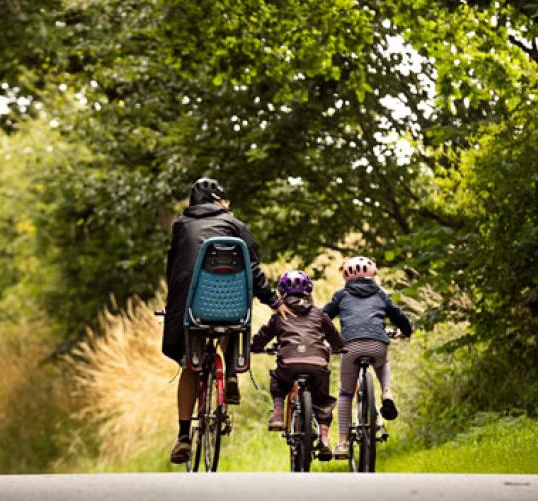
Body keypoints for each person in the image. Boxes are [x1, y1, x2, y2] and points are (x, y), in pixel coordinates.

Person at [163, 178, 277, 464]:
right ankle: (231, 375)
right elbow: (252, 269)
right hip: (231, 307)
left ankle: (184, 436)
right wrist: (274, 301)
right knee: (230, 319)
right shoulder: (235, 225)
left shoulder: (181, 226)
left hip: (191, 307)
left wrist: (174, 305)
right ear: (219, 200)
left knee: (191, 365)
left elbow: (173, 268)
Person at [322, 256, 414, 458]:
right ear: (373, 274)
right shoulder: (381, 294)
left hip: (350, 347)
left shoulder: (341, 295)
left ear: (346, 276)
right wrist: (406, 331)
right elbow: (399, 316)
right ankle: (387, 392)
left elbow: (323, 317)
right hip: (377, 345)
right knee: (382, 363)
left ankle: (343, 443)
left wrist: (323, 337)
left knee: (346, 394)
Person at [250, 270, 346, 455]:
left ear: (281, 291)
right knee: (323, 400)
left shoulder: (279, 315)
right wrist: (339, 348)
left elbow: (263, 336)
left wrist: (255, 347)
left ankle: (278, 413)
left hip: (289, 363)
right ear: (309, 289)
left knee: (278, 381)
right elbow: (336, 339)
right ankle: (324, 439)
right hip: (317, 364)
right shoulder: (319, 314)